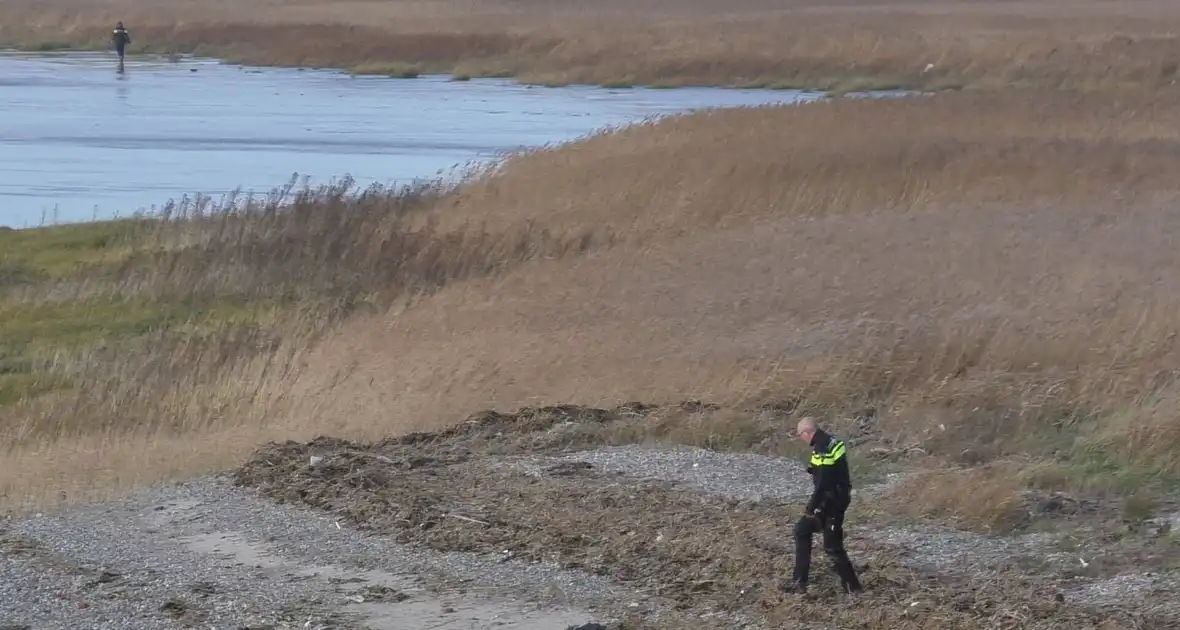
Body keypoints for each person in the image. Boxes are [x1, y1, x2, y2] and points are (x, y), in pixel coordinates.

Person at [782, 416, 864, 595]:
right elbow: (825, 469)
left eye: (800, 435)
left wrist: (812, 507)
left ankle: (854, 588)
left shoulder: (822, 447)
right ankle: (799, 582)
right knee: (801, 530)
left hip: (832, 503)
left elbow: (824, 483)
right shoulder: (828, 441)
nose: (801, 439)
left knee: (832, 546)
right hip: (832, 499)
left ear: (807, 432)